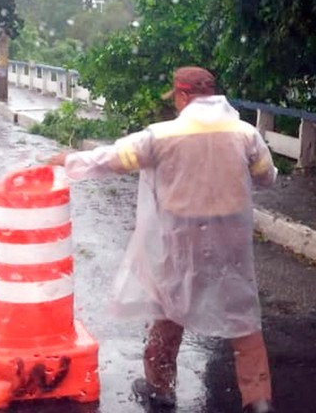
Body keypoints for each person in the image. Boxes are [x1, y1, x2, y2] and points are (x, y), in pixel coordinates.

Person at [47, 66, 277, 413]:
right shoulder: (245, 133)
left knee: (170, 308)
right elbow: (266, 178)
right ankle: (258, 400)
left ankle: (159, 387)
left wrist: (70, 161)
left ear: (183, 96)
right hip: (231, 242)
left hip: (180, 240)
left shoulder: (161, 136)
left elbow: (112, 159)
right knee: (243, 316)